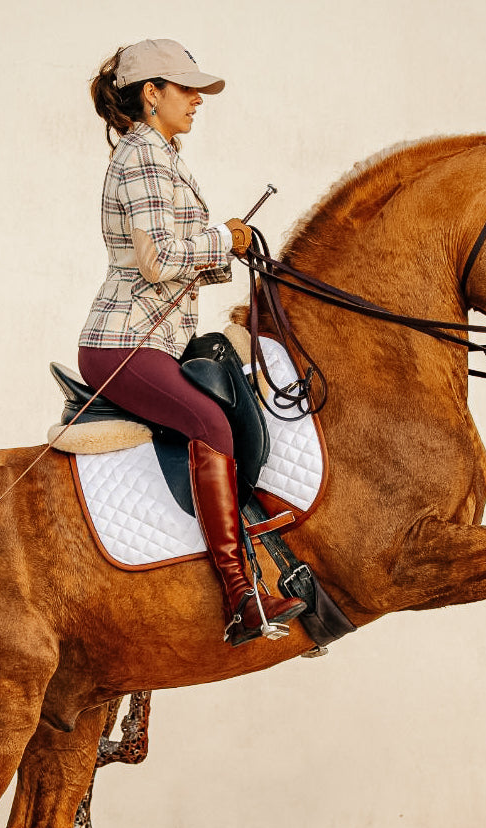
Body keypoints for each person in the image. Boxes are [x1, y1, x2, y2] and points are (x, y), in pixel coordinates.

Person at [79, 38, 305, 644]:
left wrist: (226, 245)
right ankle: (240, 596)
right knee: (210, 422)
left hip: (156, 340)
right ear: (151, 94)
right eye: (186, 89)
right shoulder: (143, 158)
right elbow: (156, 262)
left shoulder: (163, 154)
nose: (197, 101)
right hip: (122, 343)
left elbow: (177, 260)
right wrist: (220, 240)